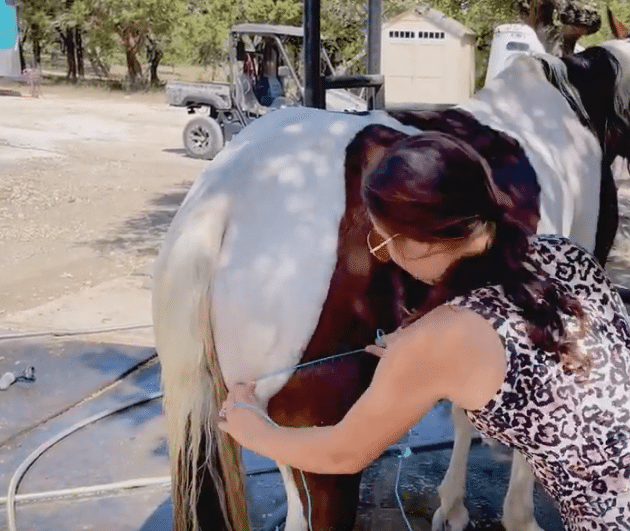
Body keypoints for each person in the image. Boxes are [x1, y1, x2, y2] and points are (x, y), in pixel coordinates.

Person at [218, 131, 630, 529]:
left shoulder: (440, 339)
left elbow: (343, 453)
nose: (390, 257)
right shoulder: (565, 253)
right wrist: (424, 353)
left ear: (419, 243)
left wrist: (255, 430)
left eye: (385, 244)